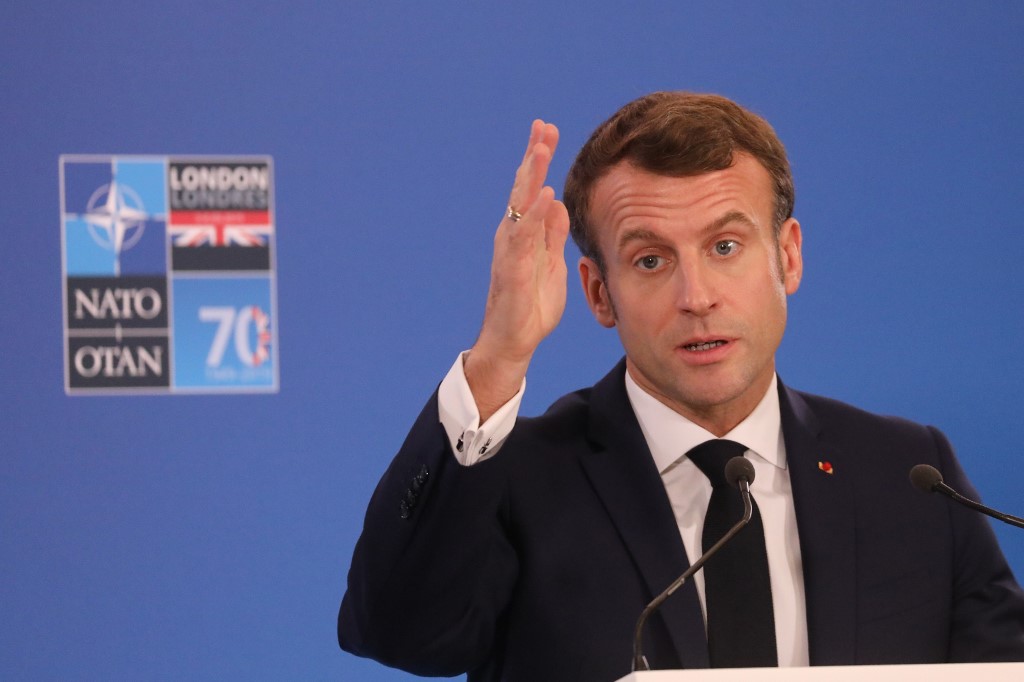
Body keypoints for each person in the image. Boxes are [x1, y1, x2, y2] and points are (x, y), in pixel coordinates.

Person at [338, 92, 1024, 681]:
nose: (696, 297)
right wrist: (497, 358)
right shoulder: (520, 479)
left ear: (786, 256)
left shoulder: (910, 477)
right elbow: (401, 634)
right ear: (599, 294)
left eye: (725, 247)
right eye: (650, 260)